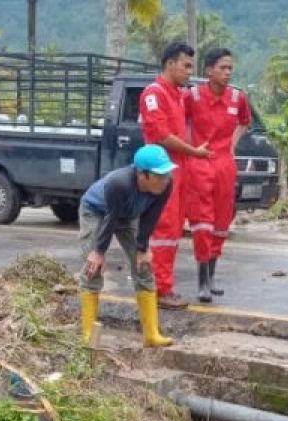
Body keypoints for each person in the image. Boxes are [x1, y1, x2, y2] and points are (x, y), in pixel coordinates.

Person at [77, 144, 176, 348]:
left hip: (127, 216)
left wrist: (142, 248)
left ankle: (151, 335)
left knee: (144, 267)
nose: (165, 179)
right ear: (142, 174)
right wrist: (98, 252)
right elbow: (110, 218)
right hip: (96, 212)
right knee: (92, 268)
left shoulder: (165, 186)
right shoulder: (119, 183)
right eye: (159, 175)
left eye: (167, 173)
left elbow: (151, 216)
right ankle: (88, 335)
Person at [140, 41, 211, 310]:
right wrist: (194, 152)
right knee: (164, 229)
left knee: (173, 229)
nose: (189, 72)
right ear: (170, 64)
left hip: (177, 169)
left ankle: (163, 286)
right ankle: (159, 288)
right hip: (161, 170)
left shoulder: (177, 95)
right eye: (186, 66)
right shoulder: (154, 93)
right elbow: (160, 135)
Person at [185, 47, 251, 304]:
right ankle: (201, 282)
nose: (227, 73)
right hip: (200, 164)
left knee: (222, 222)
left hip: (225, 165)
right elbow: (180, 122)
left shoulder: (237, 97)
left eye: (230, 68)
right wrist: (190, 148)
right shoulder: (191, 96)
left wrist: (232, 145)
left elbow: (245, 122)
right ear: (208, 70)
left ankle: (212, 277)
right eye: (222, 68)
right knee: (202, 223)